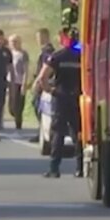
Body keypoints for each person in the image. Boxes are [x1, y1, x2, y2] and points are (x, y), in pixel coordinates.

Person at [33, 29, 83, 178]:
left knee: (58, 134)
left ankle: (54, 169)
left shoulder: (57, 56)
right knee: (78, 133)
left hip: (60, 98)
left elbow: (42, 78)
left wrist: (51, 90)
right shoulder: (83, 57)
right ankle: (80, 168)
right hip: (77, 98)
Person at [29, 28, 56, 144]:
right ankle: (41, 130)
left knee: (39, 106)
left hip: (43, 82)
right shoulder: (44, 50)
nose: (38, 39)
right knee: (37, 105)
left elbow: (46, 68)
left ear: (46, 37)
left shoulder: (48, 51)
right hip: (41, 81)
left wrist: (38, 82)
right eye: (37, 37)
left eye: (40, 37)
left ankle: (43, 130)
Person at [8, 34, 29, 131]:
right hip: (10, 81)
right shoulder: (9, 53)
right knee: (11, 105)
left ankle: (18, 124)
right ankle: (15, 115)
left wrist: (24, 83)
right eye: (12, 42)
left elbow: (26, 69)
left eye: (15, 41)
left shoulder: (23, 54)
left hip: (19, 81)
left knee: (18, 104)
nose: (13, 44)